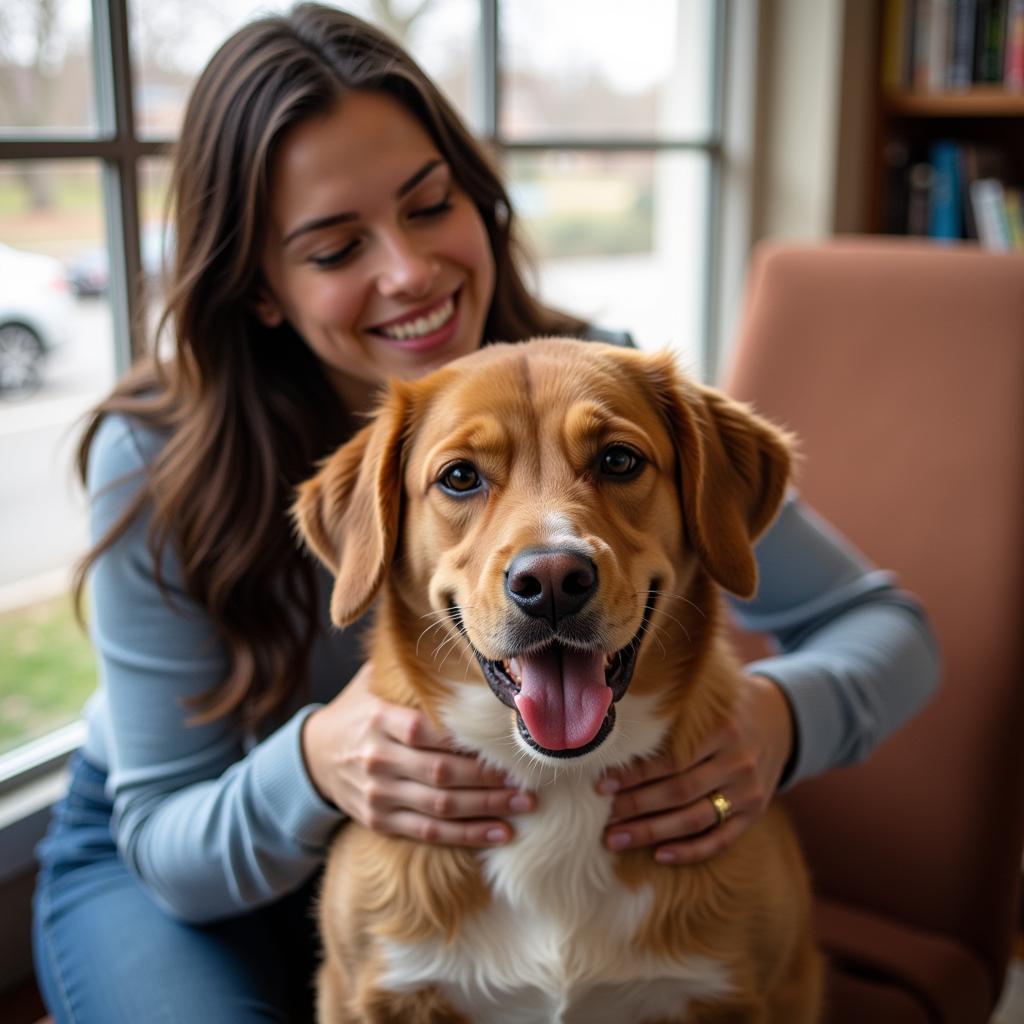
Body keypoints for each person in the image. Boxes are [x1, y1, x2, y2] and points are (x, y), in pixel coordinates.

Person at [31, 5, 941, 1022]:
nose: (410, 271)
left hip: (495, 838)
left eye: (428, 205)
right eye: (336, 248)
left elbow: (889, 630)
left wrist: (779, 720)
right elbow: (166, 841)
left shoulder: (604, 385)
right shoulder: (158, 452)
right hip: (192, 855)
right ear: (262, 289)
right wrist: (314, 763)